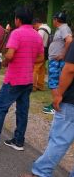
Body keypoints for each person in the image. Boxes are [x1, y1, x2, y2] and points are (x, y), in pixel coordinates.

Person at [0, 6, 44, 152]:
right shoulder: (37, 35)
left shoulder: (16, 33)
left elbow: (9, 55)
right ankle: (18, 141)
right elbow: (40, 57)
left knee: (1, 108)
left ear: (18, 19)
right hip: (27, 80)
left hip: (14, 78)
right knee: (22, 110)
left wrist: (5, 63)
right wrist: (28, 61)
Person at [21, 41, 74, 177]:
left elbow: (70, 69)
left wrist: (59, 94)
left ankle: (41, 172)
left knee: (60, 139)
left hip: (71, 101)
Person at [43, 12, 72, 115]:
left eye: (53, 19)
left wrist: (63, 55)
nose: (53, 21)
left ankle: (55, 106)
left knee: (53, 83)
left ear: (56, 20)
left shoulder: (63, 28)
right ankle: (56, 104)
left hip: (57, 61)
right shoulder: (62, 28)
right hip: (56, 60)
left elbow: (69, 40)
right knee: (56, 83)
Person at [32, 18, 51, 92]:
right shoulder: (48, 28)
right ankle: (40, 85)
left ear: (37, 23)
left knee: (35, 68)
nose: (34, 28)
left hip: (41, 51)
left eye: (34, 26)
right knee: (42, 69)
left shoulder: (41, 30)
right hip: (46, 51)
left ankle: (33, 86)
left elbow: (38, 41)